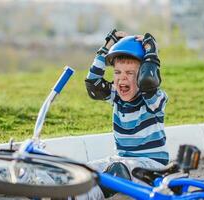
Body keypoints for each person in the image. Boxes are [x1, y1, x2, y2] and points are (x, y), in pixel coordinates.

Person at [78, 30, 169, 199]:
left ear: (142, 75)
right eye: (118, 72)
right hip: (122, 163)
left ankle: (88, 196)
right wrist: (107, 47)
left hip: (152, 168)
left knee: (118, 170)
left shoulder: (154, 99)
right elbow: (93, 84)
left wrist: (151, 50)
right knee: (83, 170)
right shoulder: (116, 96)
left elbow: (149, 82)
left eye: (129, 73)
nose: (121, 79)